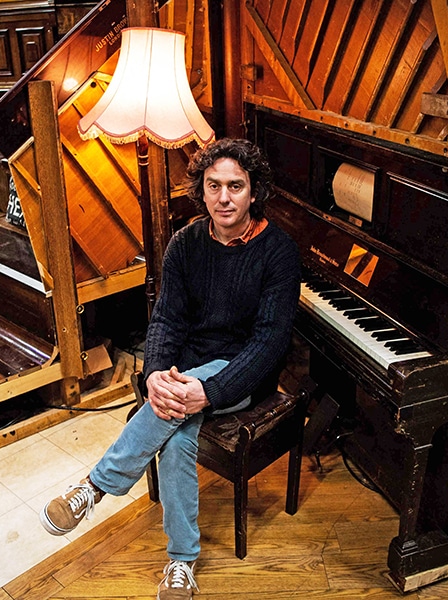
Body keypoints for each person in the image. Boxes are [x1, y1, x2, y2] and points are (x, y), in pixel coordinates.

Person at [40, 138, 301, 599]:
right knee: (178, 434)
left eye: (235, 186)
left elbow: (269, 341)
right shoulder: (186, 243)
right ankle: (182, 561)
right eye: (213, 185)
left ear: (253, 192)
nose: (224, 197)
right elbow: (167, 317)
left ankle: (95, 487)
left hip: (243, 372)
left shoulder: (278, 251)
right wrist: (157, 372)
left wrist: (212, 390)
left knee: (181, 404)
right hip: (189, 368)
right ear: (200, 190)